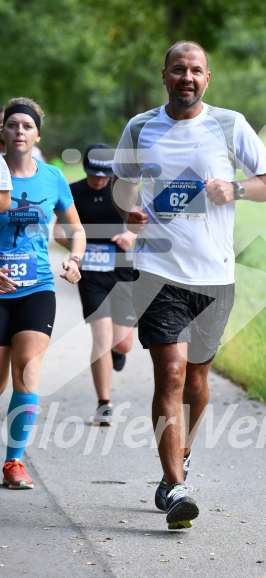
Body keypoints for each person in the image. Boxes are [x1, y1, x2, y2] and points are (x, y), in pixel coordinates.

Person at [112, 41, 266, 529]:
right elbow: (123, 182)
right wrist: (130, 210)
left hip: (215, 274)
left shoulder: (229, 125)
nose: (187, 77)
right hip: (158, 269)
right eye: (179, 69)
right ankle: (175, 487)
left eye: (196, 70)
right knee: (172, 372)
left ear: (208, 78)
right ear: (164, 75)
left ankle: (178, 460)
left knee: (199, 382)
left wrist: (237, 189)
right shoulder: (141, 127)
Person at [0, 97, 86, 489]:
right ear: (2, 131)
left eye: (27, 126)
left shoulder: (52, 178)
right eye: (13, 124)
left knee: (28, 368)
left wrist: (75, 259)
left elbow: (76, 230)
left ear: (37, 134)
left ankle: (14, 463)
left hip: (37, 288)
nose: (20, 131)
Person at [54, 144, 138, 426]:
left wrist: (131, 236)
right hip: (91, 275)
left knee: (123, 343)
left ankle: (118, 352)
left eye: (105, 176)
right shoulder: (74, 191)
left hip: (124, 271)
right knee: (101, 338)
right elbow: (57, 231)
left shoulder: (125, 190)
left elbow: (144, 223)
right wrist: (78, 249)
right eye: (94, 175)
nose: (99, 181)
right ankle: (104, 403)